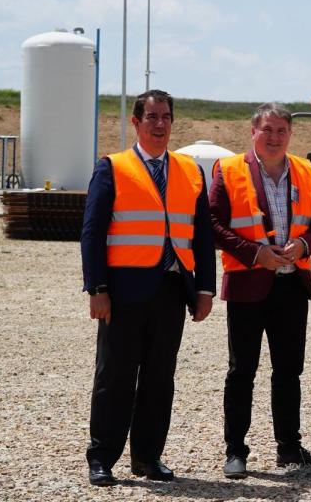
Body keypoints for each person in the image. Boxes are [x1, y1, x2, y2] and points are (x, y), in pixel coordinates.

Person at [81, 89, 215, 486]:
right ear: (136, 123)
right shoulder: (112, 167)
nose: (160, 124)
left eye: (166, 117)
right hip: (123, 292)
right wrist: (97, 288)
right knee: (115, 376)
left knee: (160, 377)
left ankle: (147, 457)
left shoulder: (191, 171)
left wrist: (204, 288)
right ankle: (102, 457)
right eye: (152, 117)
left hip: (172, 289)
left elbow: (203, 237)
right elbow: (92, 233)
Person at [209, 103, 311, 479]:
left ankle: (289, 448)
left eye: (281, 130)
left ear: (290, 134)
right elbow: (211, 223)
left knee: (289, 371)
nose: (274, 137)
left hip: (292, 285)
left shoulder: (306, 170)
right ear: (253, 132)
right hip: (249, 284)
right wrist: (254, 253)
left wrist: (304, 246)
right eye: (267, 130)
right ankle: (236, 451)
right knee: (241, 371)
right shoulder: (228, 169)